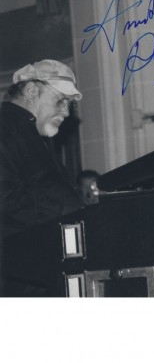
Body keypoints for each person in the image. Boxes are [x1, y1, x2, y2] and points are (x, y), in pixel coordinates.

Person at [0, 59, 84, 295]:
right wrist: (71, 212)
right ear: (31, 91)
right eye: (60, 100)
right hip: (19, 279)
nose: (66, 112)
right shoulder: (7, 130)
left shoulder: (27, 133)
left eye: (69, 104)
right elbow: (6, 199)